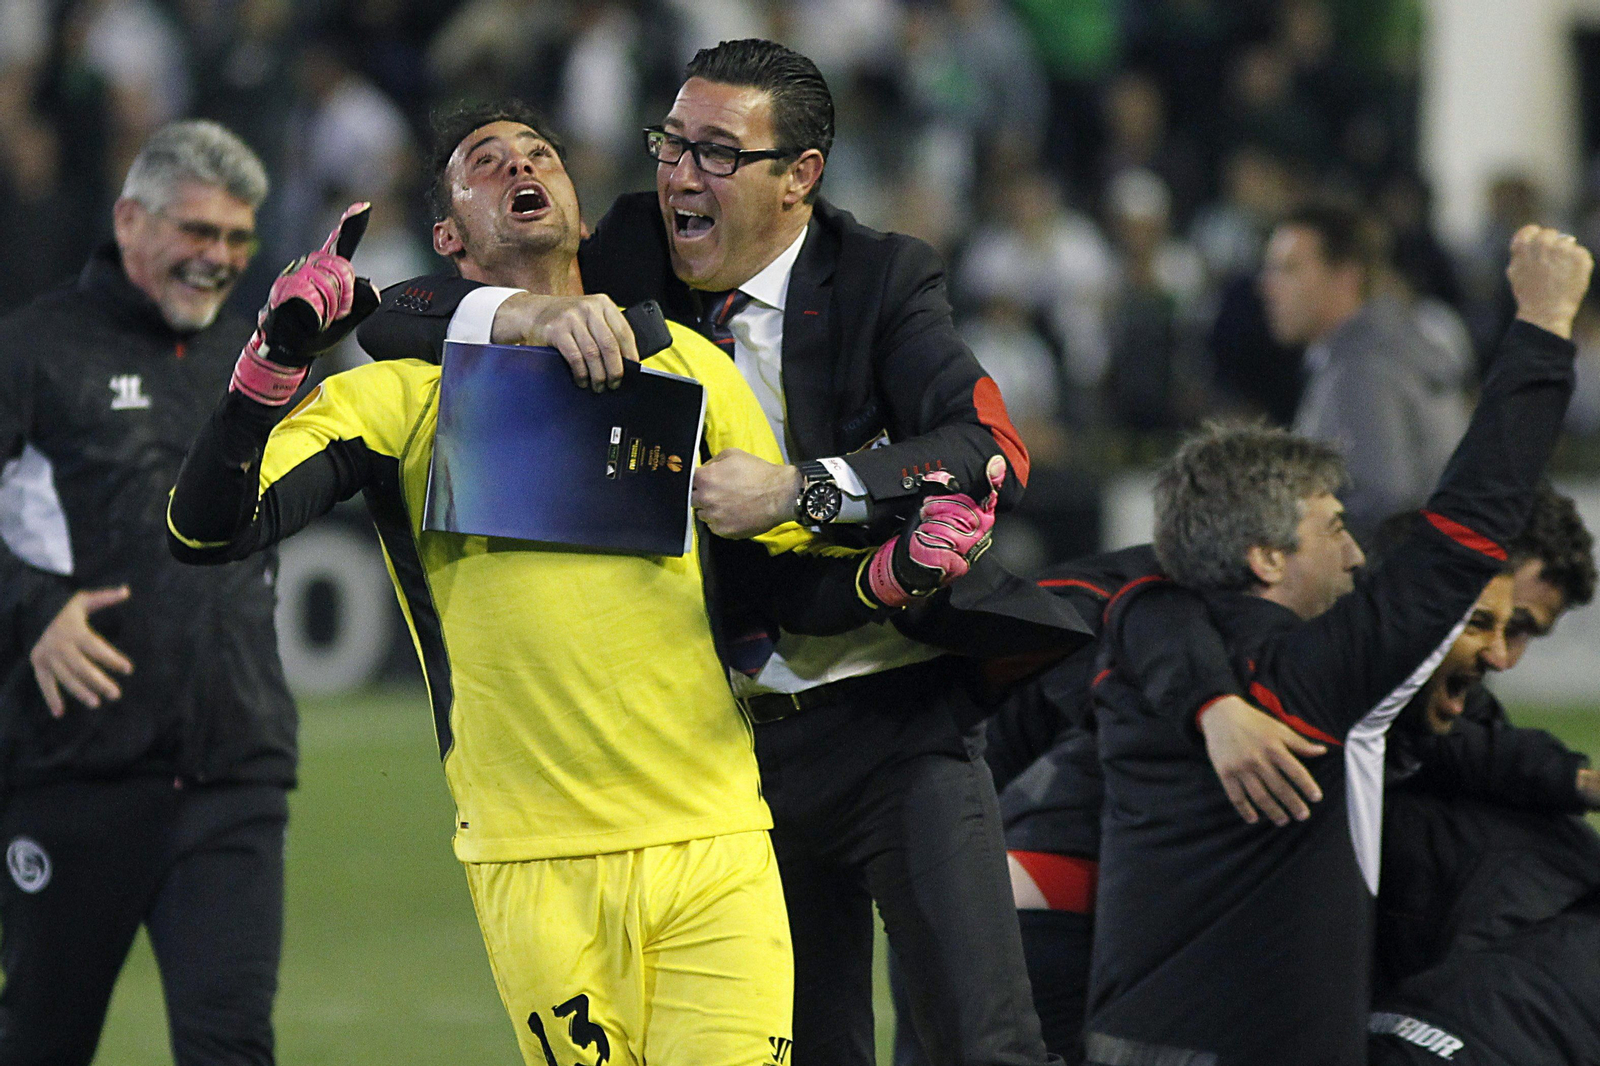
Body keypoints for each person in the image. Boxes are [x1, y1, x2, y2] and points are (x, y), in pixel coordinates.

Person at [166, 103, 999, 1066]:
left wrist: (895, 569)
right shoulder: (396, 400)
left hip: (713, 841)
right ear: (448, 237)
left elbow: (781, 594)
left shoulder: (690, 371)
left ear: (578, 207)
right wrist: (269, 364)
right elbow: (205, 530)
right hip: (534, 860)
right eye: (487, 163)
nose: (522, 166)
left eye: (541, 155)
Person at [357, 39, 1060, 1066]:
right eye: (672, 144)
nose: (683, 176)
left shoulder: (881, 278)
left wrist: (802, 488)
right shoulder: (636, 249)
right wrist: (531, 311)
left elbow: (990, 450)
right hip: (728, 760)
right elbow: (398, 317)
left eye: (720, 154)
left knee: (982, 1041)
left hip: (891, 720)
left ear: (799, 178)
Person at [1084, 223, 1590, 1066]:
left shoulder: (1140, 647)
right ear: (1268, 555)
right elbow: (1469, 524)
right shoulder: (1320, 681)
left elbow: (1131, 589)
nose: (1357, 553)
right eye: (1333, 529)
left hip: (1124, 1036)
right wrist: (1543, 323)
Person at [0, 121, 291, 1066]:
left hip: (235, 773)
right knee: (42, 1044)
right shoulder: (33, 351)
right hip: (74, 770)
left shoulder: (257, 363)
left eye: (237, 240)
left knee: (231, 1047)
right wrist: (31, 608)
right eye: (196, 232)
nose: (219, 260)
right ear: (130, 220)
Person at [1261, 202, 1472, 540]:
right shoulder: (1394, 348)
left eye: (1288, 270)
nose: (1268, 287)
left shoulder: (1361, 371)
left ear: (1345, 277)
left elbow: (1380, 507)